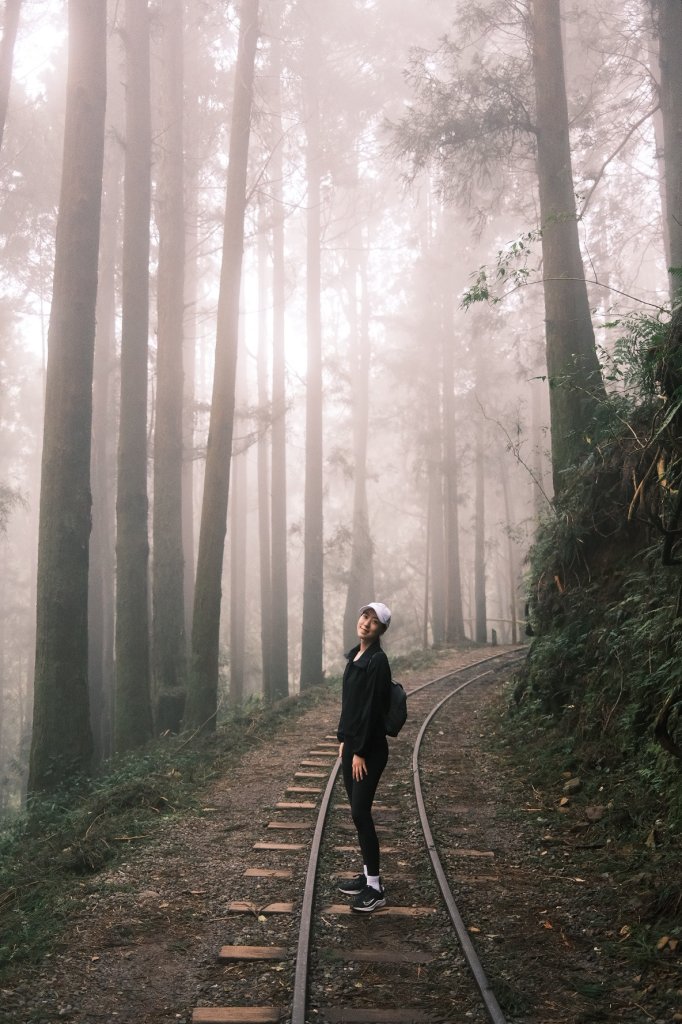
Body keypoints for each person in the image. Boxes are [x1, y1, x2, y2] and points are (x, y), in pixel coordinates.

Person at [336, 601, 392, 912]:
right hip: (354, 746)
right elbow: (350, 705)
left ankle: (376, 889)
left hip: (369, 751)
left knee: (360, 813)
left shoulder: (378, 661)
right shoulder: (355, 656)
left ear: (381, 629)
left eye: (374, 621)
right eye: (365, 616)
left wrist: (359, 751)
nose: (366, 623)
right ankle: (368, 876)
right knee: (357, 814)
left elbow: (371, 711)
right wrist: (344, 740)